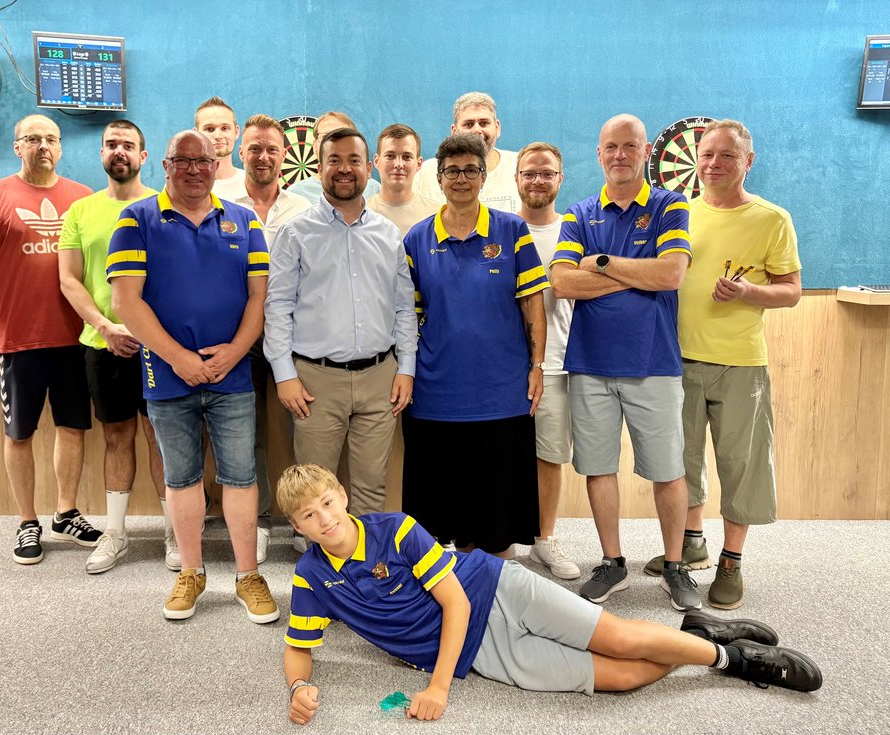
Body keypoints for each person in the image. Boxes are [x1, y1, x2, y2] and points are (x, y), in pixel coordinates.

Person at [277, 463, 822, 725]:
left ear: (342, 495)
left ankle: (733, 659)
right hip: (481, 653)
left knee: (623, 639)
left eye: (327, 503)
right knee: (623, 678)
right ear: (297, 527)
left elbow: (455, 603)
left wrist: (438, 688)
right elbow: (298, 648)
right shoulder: (310, 576)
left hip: (494, 591)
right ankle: (696, 636)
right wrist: (299, 686)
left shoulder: (395, 529)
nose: (323, 518)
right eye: (307, 515)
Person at [108, 130, 278, 624]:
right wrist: (178, 357)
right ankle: (191, 572)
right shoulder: (136, 220)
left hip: (232, 376)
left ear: (217, 164)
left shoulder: (244, 221)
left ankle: (248, 576)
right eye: (183, 161)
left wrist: (235, 352)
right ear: (165, 166)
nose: (195, 169)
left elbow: (259, 298)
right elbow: (126, 302)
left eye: (204, 160)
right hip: (167, 376)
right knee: (181, 479)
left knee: (240, 477)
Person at [643, 119, 802, 610]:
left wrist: (750, 291)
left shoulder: (772, 219)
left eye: (727, 155)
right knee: (681, 462)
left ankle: (731, 560)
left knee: (741, 465)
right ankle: (691, 544)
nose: (714, 164)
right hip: (677, 359)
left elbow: (791, 291)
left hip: (740, 362)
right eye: (707, 154)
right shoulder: (679, 213)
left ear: (747, 161)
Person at [550, 114, 697, 611]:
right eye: (610, 146)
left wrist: (603, 263)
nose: (620, 155)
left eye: (630, 146)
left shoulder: (669, 205)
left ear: (646, 151)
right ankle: (612, 563)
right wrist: (639, 274)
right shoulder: (579, 213)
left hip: (654, 362)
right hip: (590, 363)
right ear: (599, 153)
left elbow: (671, 274)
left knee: (668, 471)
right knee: (598, 469)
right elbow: (563, 282)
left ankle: (674, 567)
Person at [0, 114, 99, 565]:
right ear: (17, 146)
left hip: (74, 339)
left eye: (51, 139)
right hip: (17, 341)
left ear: (60, 147)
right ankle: (26, 521)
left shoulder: (82, 197)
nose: (43, 146)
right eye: (33, 138)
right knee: (18, 433)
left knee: (73, 427)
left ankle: (66, 513)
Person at [401, 134, 546, 557]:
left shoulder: (512, 230)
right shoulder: (416, 239)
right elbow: (407, 316)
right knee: (437, 521)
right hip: (435, 397)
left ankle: (491, 588)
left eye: (470, 170)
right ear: (439, 177)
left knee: (496, 521)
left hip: (502, 394)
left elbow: (532, 304)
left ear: (484, 176)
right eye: (452, 170)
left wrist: (537, 365)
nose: (461, 178)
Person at [264, 127, 416, 530]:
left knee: (371, 487)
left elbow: (404, 307)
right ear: (319, 168)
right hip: (315, 380)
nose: (344, 169)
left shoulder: (387, 234)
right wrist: (284, 375)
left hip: (381, 377)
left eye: (353, 161)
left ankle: (367, 563)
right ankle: (322, 565)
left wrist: (406, 368)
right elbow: (277, 307)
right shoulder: (296, 232)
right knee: (315, 492)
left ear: (368, 168)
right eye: (334, 160)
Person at [58, 119, 175, 574]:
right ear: (102, 154)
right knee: (116, 437)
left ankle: (174, 533)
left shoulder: (164, 207)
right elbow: (69, 279)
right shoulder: (80, 212)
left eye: (127, 144)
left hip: (158, 347)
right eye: (111, 144)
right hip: (103, 343)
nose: (119, 151)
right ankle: (116, 533)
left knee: (161, 439)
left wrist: (149, 333)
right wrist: (106, 326)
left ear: (143, 156)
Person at [227, 113, 312, 562]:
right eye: (255, 148)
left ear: (286, 155)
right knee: (247, 432)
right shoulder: (221, 204)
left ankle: (307, 520)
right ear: (241, 152)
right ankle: (256, 521)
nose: (263, 156)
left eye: (271, 149)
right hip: (236, 335)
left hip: (294, 337)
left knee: (305, 428)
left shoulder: (303, 209)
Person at [515, 142, 579, 580]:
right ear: (517, 178)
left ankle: (544, 539)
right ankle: (499, 536)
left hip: (556, 363)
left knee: (549, 457)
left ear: (560, 178)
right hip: (504, 365)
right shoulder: (501, 229)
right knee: (500, 454)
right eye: (530, 173)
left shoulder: (574, 231)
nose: (538, 181)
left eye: (546, 173)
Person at [415, 92, 520, 213]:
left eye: (484, 123)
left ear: (497, 128)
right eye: (468, 124)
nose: (477, 130)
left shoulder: (519, 166)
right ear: (454, 131)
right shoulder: (427, 172)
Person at [286, 111, 380, 204]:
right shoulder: (296, 195)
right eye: (326, 137)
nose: (334, 145)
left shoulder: (373, 189)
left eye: (343, 138)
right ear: (314, 146)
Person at [366, 124, 440, 236]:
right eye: (390, 156)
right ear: (376, 161)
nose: (398, 164)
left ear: (419, 163)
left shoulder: (436, 215)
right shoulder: (361, 214)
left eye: (407, 157)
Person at [194, 96, 245, 201]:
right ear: (196, 134)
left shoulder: (252, 184)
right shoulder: (181, 185)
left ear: (236, 132)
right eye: (210, 129)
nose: (218, 136)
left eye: (225, 128)